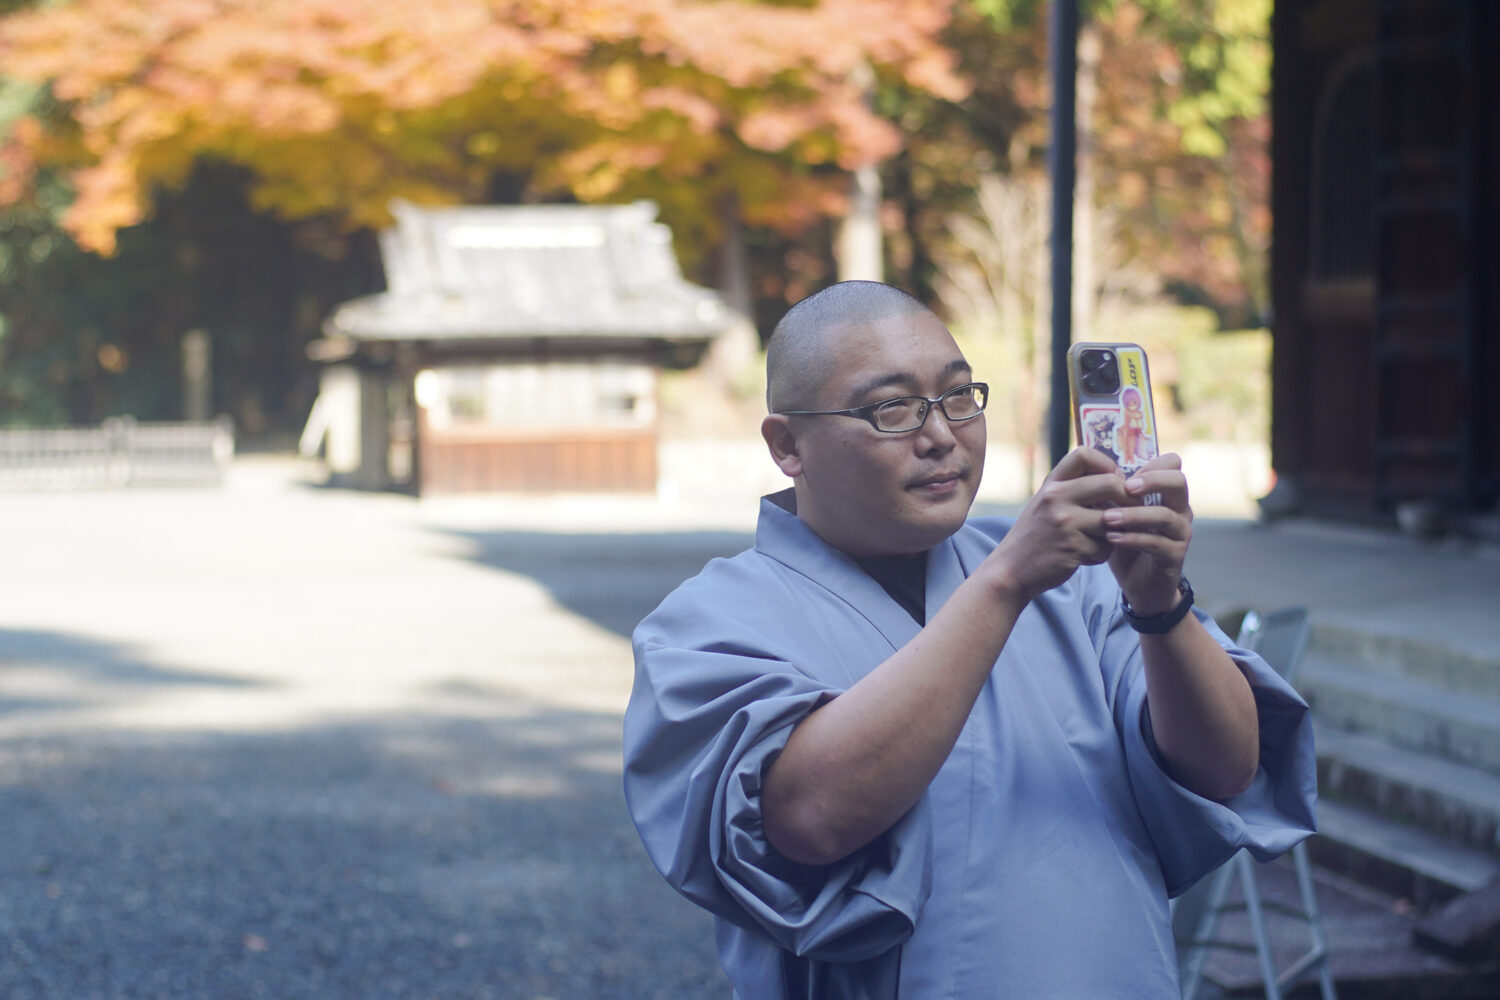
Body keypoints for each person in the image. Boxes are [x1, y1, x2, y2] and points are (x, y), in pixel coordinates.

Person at [623, 281, 1316, 999]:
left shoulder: (1079, 583)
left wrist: (1158, 601)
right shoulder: (709, 623)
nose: (941, 435)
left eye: (959, 396)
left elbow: (1228, 769)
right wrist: (1005, 581)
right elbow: (809, 818)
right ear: (787, 444)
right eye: (892, 409)